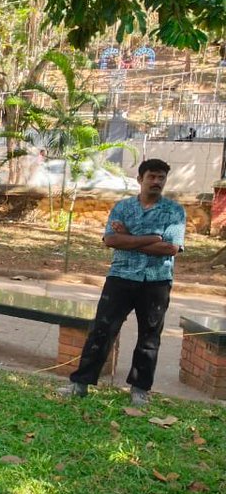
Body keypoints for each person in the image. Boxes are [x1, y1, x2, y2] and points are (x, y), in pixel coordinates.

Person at [60, 159, 185, 406]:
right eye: (152, 177)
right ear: (140, 179)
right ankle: (80, 383)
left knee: (149, 336)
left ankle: (140, 388)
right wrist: (149, 238)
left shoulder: (174, 211)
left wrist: (128, 236)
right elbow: (111, 240)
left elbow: (170, 248)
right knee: (102, 330)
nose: (157, 182)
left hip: (156, 281)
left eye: (161, 178)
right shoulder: (123, 208)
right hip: (121, 277)